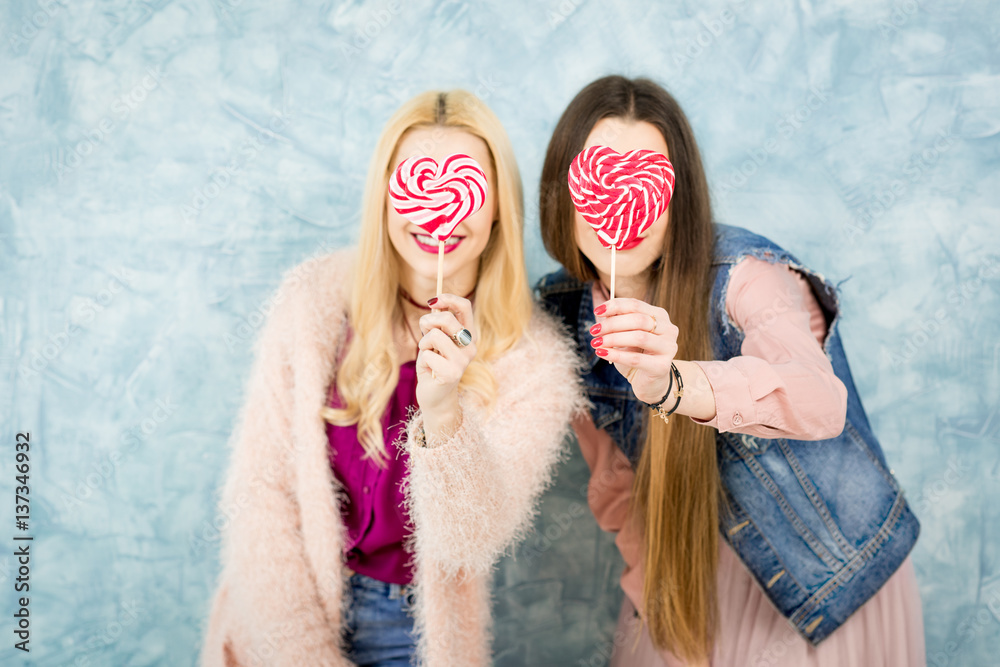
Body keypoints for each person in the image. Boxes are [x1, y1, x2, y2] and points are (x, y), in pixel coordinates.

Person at [536, 75, 924, 666]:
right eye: (600, 174)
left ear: (676, 194)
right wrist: (658, 594)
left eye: (641, 176)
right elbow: (615, 482)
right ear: (565, 192)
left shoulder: (744, 276)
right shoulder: (566, 311)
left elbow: (819, 400)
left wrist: (676, 384)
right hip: (687, 575)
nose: (618, 198)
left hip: (822, 576)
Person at [200, 89, 585, 667]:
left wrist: (443, 412)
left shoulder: (536, 362)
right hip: (285, 611)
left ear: (499, 204)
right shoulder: (314, 305)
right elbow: (260, 494)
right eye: (415, 182)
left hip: (417, 634)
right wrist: (302, 652)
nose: (439, 209)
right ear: (385, 198)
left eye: (464, 184)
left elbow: (466, 540)